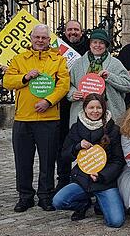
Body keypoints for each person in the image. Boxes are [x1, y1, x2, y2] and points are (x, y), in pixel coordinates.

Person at [3, 23, 70, 213]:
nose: (40, 41)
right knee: (23, 160)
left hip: (48, 118)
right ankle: (25, 196)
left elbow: (63, 86)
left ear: (50, 40)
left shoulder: (58, 60)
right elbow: (7, 81)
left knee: (48, 160)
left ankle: (45, 195)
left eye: (44, 38)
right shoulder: (19, 59)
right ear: (31, 39)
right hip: (23, 118)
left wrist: (48, 101)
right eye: (37, 37)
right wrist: (25, 77)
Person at [52, 94, 125, 228]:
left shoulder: (113, 130)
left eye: (98, 108)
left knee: (116, 221)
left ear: (103, 109)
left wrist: (101, 175)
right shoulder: (76, 128)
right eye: (91, 107)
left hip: (105, 182)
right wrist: (77, 147)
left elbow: (118, 160)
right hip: (82, 179)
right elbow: (65, 155)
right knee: (58, 201)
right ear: (85, 108)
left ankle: (101, 202)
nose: (95, 111)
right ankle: (84, 204)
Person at [67, 29, 130, 125]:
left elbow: (128, 85)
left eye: (101, 43)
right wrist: (72, 93)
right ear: (90, 44)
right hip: (82, 112)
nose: (97, 45)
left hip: (109, 112)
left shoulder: (115, 64)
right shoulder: (78, 63)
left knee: (109, 139)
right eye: (94, 42)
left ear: (106, 45)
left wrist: (110, 77)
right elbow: (68, 84)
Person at [57, 19, 89, 190]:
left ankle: (83, 177)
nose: (73, 33)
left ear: (82, 32)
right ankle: (62, 179)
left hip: (83, 106)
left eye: (76, 29)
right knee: (62, 144)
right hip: (61, 104)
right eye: (70, 30)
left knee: (84, 143)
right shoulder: (56, 49)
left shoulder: (89, 49)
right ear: (65, 32)